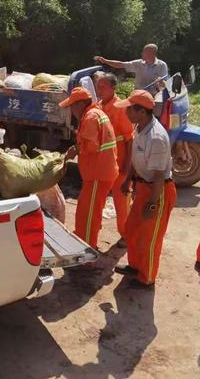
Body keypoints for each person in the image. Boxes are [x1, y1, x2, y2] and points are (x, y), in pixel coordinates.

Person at [113, 90, 176, 288]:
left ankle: (147, 277)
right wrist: (128, 180)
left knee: (149, 238)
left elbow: (158, 176)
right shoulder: (139, 128)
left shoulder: (156, 138)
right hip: (142, 187)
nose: (125, 112)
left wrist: (152, 204)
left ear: (141, 111)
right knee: (132, 229)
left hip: (158, 191)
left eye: (129, 109)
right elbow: (135, 158)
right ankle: (135, 266)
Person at [61, 87, 119, 250]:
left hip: (97, 175)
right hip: (100, 173)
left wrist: (75, 149)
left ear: (80, 104)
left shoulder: (91, 116)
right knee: (88, 212)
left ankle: (86, 253)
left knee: (88, 215)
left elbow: (91, 146)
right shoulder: (96, 114)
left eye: (72, 106)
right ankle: (83, 239)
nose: (71, 110)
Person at [96, 73, 134, 246]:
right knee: (97, 202)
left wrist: (127, 169)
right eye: (98, 86)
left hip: (119, 165)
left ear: (113, 88)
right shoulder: (97, 107)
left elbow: (129, 139)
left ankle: (127, 235)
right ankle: (93, 234)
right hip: (103, 166)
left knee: (122, 203)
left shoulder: (120, 108)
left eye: (103, 86)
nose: (99, 89)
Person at [94, 44, 168, 95]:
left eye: (144, 52)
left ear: (152, 53)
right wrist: (105, 61)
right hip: (138, 94)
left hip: (153, 96)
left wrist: (161, 82)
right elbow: (121, 64)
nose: (141, 53)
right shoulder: (138, 63)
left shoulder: (162, 65)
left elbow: (164, 85)